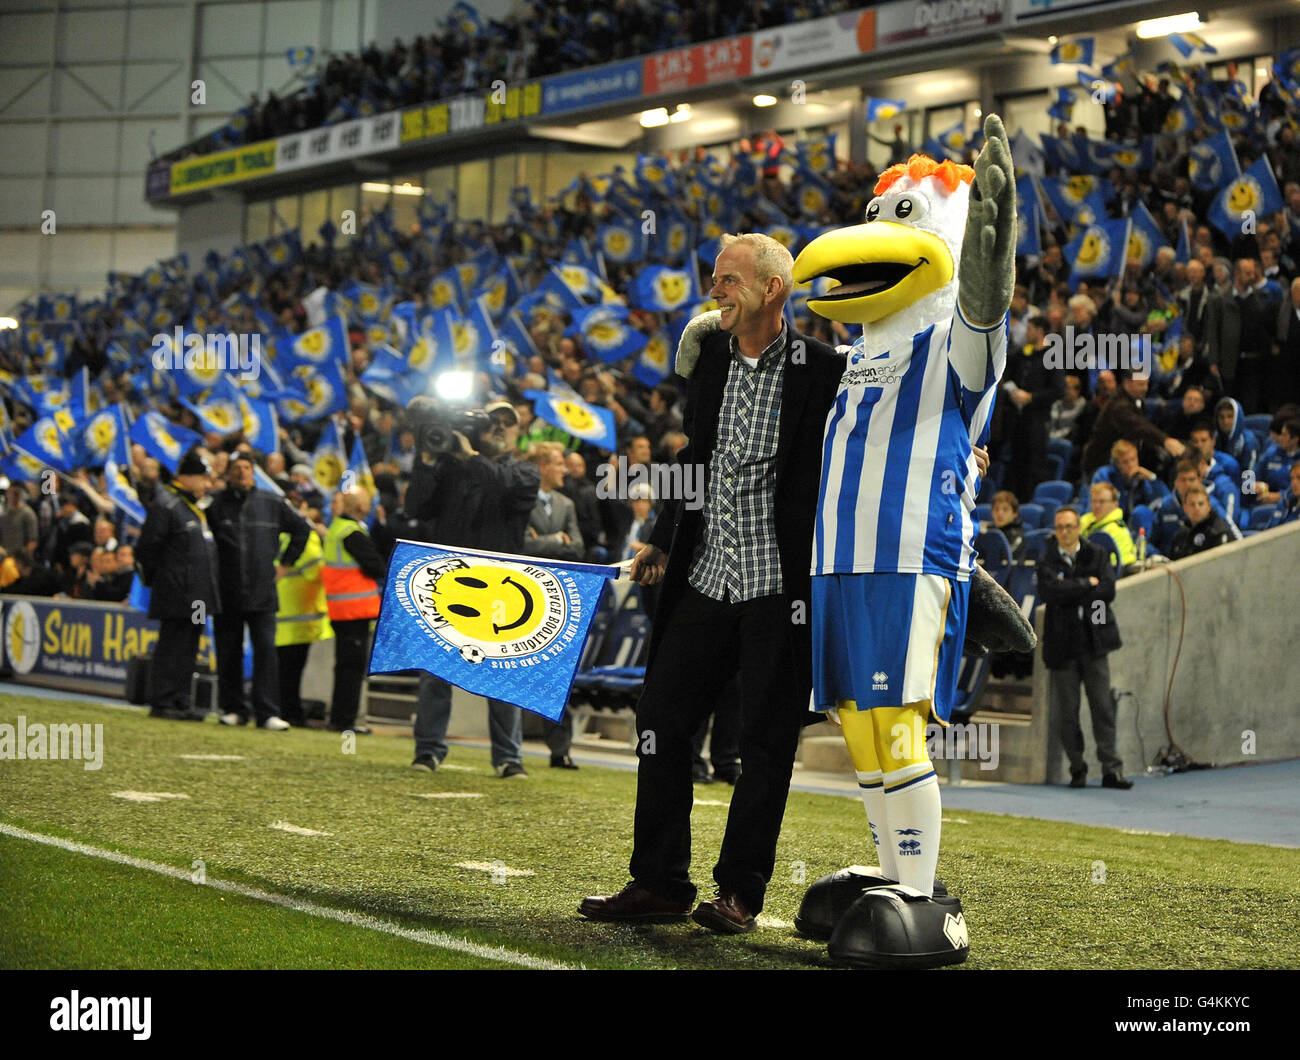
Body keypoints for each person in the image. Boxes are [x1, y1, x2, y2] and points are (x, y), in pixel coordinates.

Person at [578, 232, 846, 933]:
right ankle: (660, 883)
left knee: (764, 741)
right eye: (717, 281)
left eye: (729, 280)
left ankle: (741, 894)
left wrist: (959, 439)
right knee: (660, 722)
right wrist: (663, 538)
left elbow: (872, 441)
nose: (717, 292)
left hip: (777, 586)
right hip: (704, 575)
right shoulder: (708, 364)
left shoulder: (825, 370)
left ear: (773, 288)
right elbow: (697, 459)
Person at [404, 399, 539, 778]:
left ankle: (509, 758)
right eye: (492, 420)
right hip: (448, 583)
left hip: (502, 588)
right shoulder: (452, 467)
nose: (499, 426)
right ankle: (428, 751)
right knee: (435, 673)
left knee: (501, 676)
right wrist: (426, 460)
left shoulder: (526, 472)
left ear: (518, 431)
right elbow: (415, 507)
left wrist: (467, 457)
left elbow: (503, 483)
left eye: (507, 422)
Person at [208, 452, 310, 731]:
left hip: (262, 591)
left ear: (253, 472)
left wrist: (286, 565)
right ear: (228, 473)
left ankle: (267, 712)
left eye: (246, 467)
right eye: (236, 468)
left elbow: (302, 529)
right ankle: (233, 708)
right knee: (229, 651)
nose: (241, 472)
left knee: (266, 652)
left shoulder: (272, 502)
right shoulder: (216, 505)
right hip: (227, 591)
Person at [1037, 506, 1131, 790]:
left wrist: (1071, 587)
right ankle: (1077, 768)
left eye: (1069, 526)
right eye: (1060, 527)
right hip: (1063, 647)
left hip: (1094, 643)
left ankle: (1111, 770)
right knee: (1068, 714)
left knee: (1103, 708)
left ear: (1079, 527)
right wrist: (1085, 585)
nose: (1064, 532)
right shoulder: (1046, 560)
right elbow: (1051, 593)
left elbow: (1107, 591)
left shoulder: (1097, 554)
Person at [134, 449, 220, 722]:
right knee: (172, 644)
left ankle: (181, 699)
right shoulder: (167, 504)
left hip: (197, 595)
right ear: (187, 477)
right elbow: (148, 549)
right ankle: (163, 700)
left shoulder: (191, 507)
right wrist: (163, 579)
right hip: (177, 591)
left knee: (189, 646)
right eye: (204, 478)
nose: (208, 485)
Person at [520, 440, 583, 769]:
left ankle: (561, 749)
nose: (564, 469)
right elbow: (522, 545)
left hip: (557, 596)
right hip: (522, 593)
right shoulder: (522, 501)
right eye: (559, 463)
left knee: (556, 674)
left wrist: (544, 543)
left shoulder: (567, 505)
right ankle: (510, 748)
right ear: (543, 466)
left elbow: (578, 549)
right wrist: (556, 540)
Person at [321, 488, 387, 734]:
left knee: (344, 667)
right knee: (352, 668)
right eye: (367, 502)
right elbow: (376, 566)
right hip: (354, 609)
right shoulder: (352, 532)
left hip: (341, 608)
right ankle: (345, 720)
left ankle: (340, 718)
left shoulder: (338, 528)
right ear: (359, 507)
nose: (369, 506)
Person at [274, 522, 332, 727]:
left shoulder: (281, 536)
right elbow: (316, 572)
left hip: (282, 615)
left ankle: (283, 710)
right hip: (298, 620)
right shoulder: (307, 541)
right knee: (292, 672)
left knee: (282, 670)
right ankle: (291, 713)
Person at [1169, 484, 1236, 559]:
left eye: (1201, 504)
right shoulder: (1180, 535)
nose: (1196, 508)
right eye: (1192, 504)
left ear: (1209, 506)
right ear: (1185, 507)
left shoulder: (1219, 532)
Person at [1080, 480, 1137, 568]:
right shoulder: (1085, 521)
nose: (1097, 505)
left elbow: (1115, 566)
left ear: (1115, 504)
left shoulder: (1118, 531)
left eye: (1102, 502)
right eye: (1094, 501)